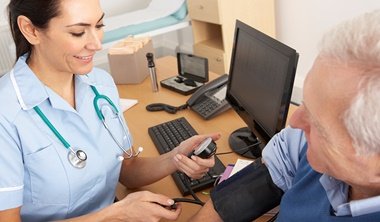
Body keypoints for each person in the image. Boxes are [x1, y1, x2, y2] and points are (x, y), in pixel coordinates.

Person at [0, 0, 219, 221]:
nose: (96, 44)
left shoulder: (100, 84)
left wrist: (175, 158)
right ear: (30, 29)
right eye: (78, 32)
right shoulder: (6, 113)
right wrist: (116, 214)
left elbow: (126, 168)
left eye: (99, 26)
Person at [190, 9, 380, 221]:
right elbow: (228, 202)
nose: (294, 122)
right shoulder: (303, 144)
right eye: (305, 104)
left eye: (318, 125)